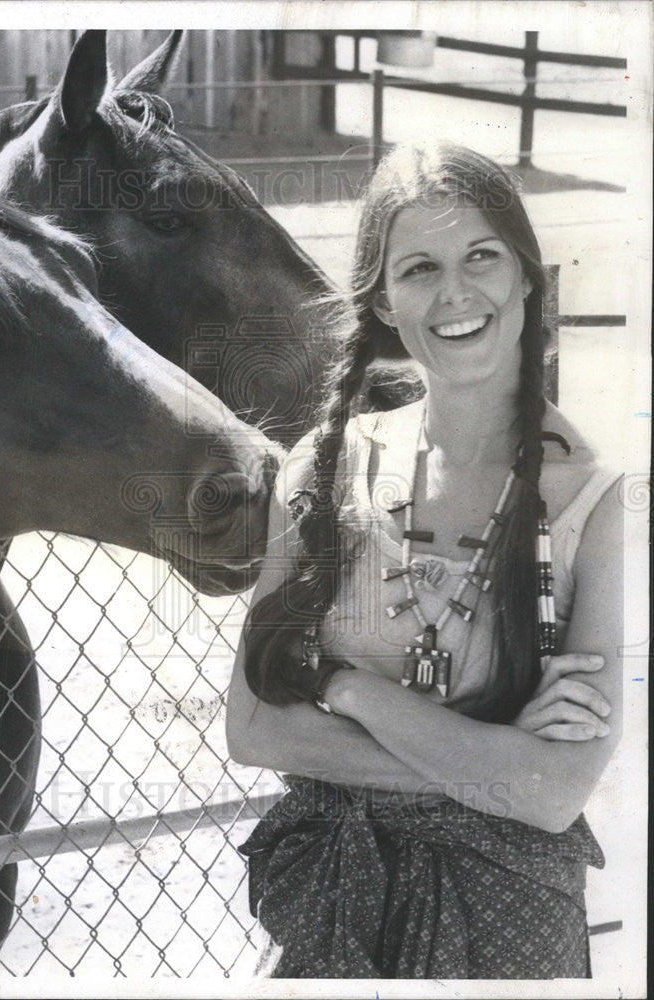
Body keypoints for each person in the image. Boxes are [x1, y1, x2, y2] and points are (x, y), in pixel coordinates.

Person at [225, 142, 622, 979]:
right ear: (381, 304)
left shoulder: (595, 501)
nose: (455, 292)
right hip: (336, 903)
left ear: (524, 275)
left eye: (481, 255)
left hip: (510, 924)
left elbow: (554, 795)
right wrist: (491, 756)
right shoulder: (320, 472)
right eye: (417, 269)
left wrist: (343, 691)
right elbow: (254, 728)